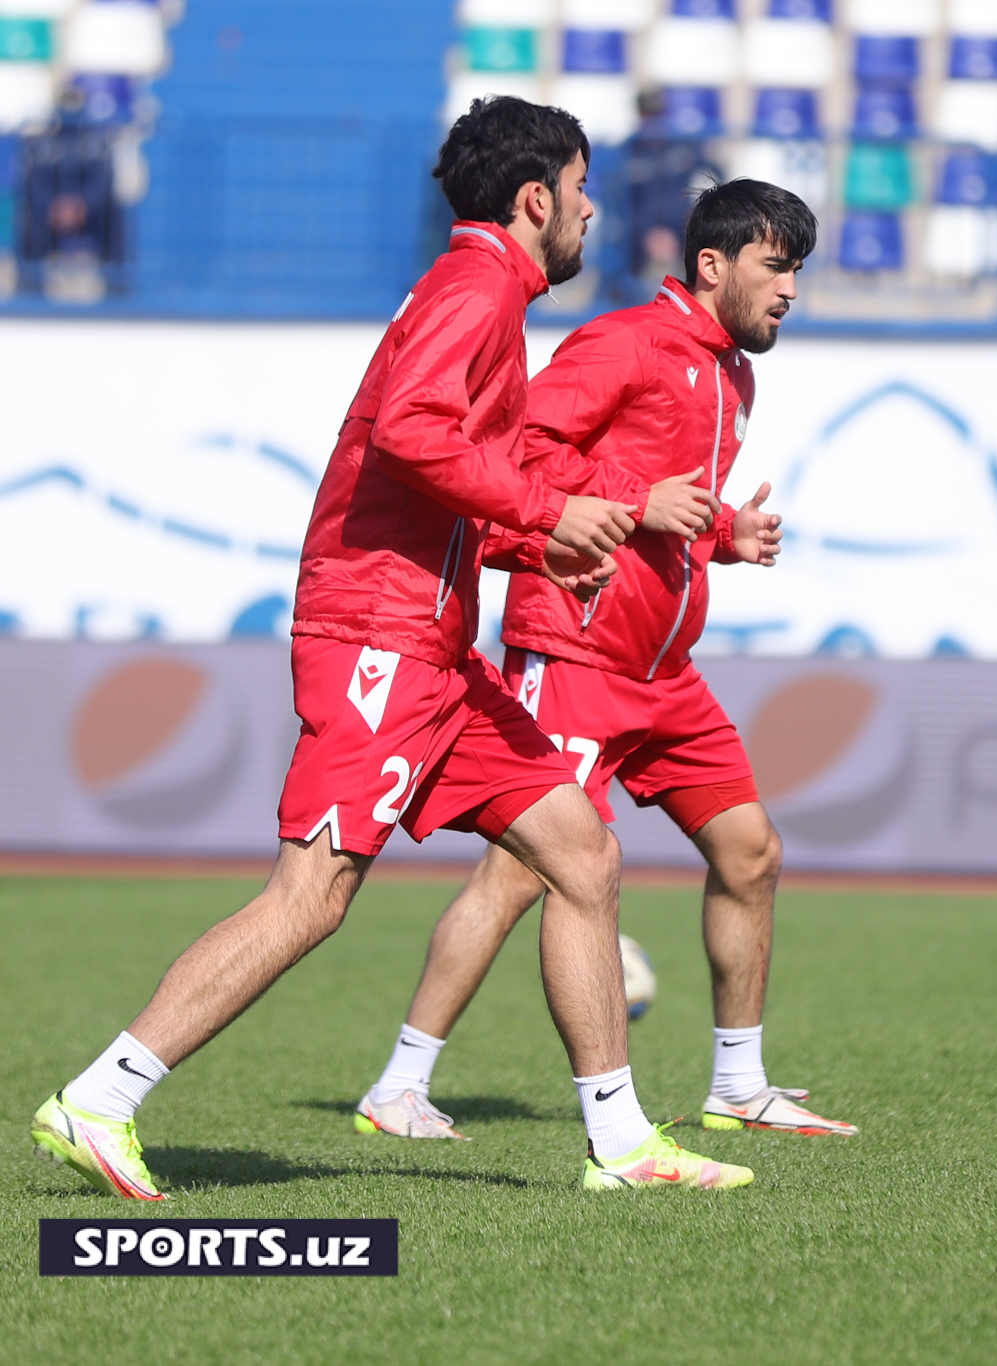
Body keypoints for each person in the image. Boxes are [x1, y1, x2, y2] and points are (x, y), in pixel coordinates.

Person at [28, 97, 753, 1199]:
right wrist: (548, 513)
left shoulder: (485, 293)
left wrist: (532, 540)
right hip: (378, 638)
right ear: (534, 198)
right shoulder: (475, 289)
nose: (590, 210)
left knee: (581, 853)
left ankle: (623, 1146)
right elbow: (412, 433)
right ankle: (102, 1095)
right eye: (581, 187)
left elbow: (451, 479)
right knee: (309, 897)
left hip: (435, 647)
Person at [353, 178, 859, 1144]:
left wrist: (722, 536)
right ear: (712, 265)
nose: (791, 287)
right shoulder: (623, 342)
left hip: (665, 669)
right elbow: (520, 453)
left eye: (798, 268)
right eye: (776, 265)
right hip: (573, 650)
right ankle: (399, 1083)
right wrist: (644, 493)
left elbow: (667, 515)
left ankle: (738, 1086)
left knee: (750, 853)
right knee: (522, 874)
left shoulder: (733, 377)